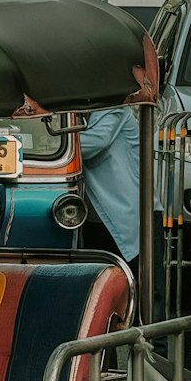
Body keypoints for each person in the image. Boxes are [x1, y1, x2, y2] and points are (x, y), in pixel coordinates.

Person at [79, 107, 141, 264]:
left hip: (127, 212)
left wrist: (48, 142)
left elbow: (96, 141)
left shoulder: (114, 107)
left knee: (139, 280)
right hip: (98, 214)